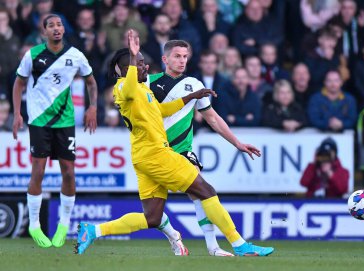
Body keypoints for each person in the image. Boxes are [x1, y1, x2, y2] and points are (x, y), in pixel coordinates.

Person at [75, 30, 274, 257]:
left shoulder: (142, 90)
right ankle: (239, 244)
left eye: (184, 56)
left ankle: (93, 230)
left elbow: (162, 109)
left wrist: (192, 96)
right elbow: (129, 86)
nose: (145, 67)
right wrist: (132, 57)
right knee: (206, 191)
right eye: (140, 64)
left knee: (153, 218)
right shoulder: (125, 87)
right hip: (157, 153)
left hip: (144, 157)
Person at [148, 41, 260, 256]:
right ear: (165, 59)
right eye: (177, 56)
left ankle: (214, 246)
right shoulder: (148, 83)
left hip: (182, 150)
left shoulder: (194, 84)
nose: (182, 61)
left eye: (184, 56)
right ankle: (174, 237)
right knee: (153, 214)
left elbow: (213, 118)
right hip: (155, 152)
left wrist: (238, 143)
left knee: (201, 193)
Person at [12, 14, 98, 248]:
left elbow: (91, 81)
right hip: (39, 120)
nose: (57, 28)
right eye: (51, 26)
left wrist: (92, 107)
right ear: (44, 32)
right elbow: (19, 83)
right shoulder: (33, 55)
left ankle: (64, 224)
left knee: (69, 172)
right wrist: (17, 113)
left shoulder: (75, 55)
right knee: (38, 169)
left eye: (60, 24)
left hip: (65, 121)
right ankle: (34, 224)